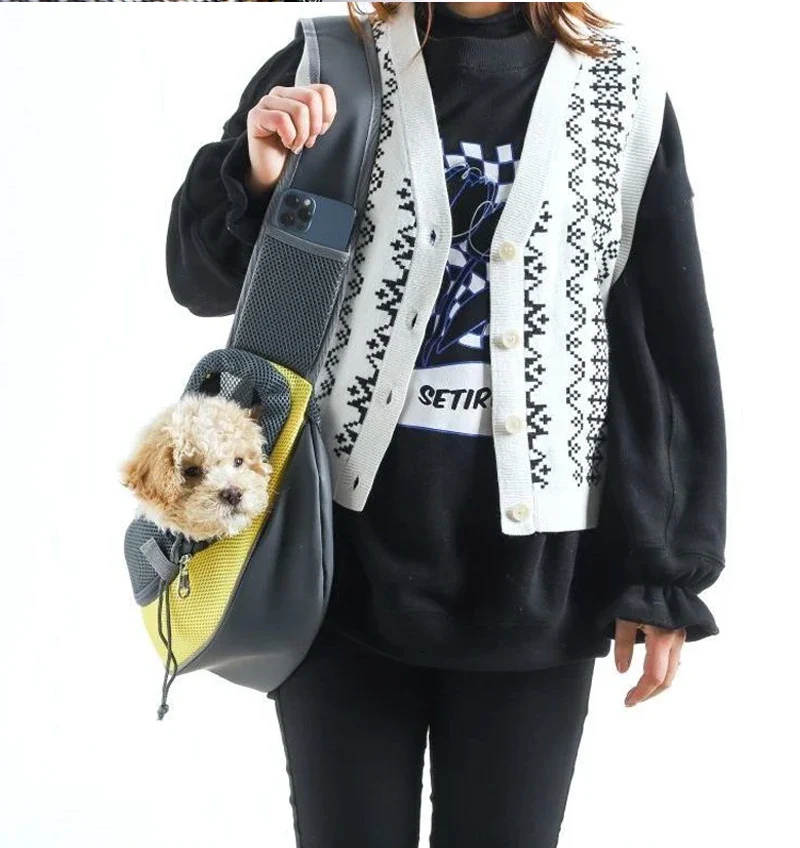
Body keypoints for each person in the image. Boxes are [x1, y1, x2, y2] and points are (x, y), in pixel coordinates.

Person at [166, 3, 727, 845]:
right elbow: (198, 280)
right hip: (340, 571)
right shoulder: (335, 64)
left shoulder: (621, 90)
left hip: (537, 589)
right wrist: (256, 176)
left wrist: (664, 567)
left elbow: (661, 336)